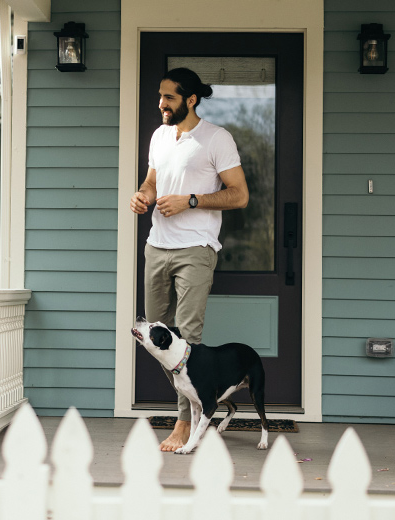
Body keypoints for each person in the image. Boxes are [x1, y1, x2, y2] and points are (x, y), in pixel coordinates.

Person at [130, 68, 249, 452]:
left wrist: (191, 201)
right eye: (160, 96)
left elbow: (239, 195)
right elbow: (152, 180)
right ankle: (199, 405)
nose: (161, 104)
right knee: (155, 340)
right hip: (156, 247)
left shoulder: (217, 139)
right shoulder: (160, 136)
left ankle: (185, 420)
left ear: (191, 99)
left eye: (169, 98)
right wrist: (143, 195)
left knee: (187, 336)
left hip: (196, 249)